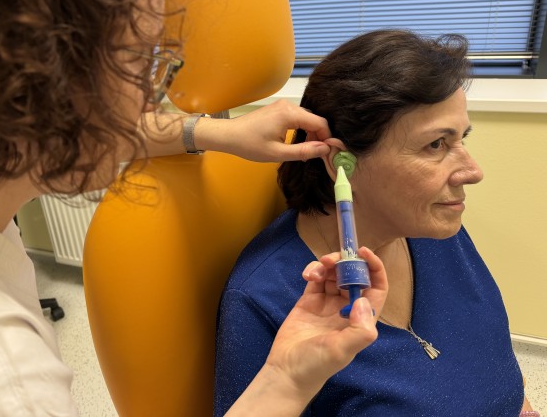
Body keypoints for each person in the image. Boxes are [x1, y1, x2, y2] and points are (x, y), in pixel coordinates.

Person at [0, 0, 387, 415]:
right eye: (143, 61)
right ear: (29, 75)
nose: (147, 98)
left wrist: (213, 133)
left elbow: (106, 123)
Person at [214, 29, 538, 416]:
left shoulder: (432, 226)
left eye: (461, 138)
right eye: (436, 144)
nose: (473, 172)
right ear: (340, 164)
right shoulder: (262, 300)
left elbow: (491, 360)